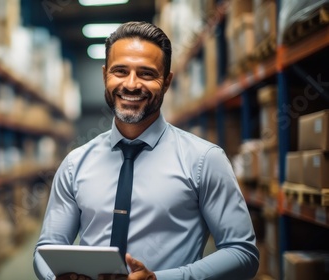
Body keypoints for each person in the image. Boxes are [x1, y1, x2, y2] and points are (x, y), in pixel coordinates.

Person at [33, 21, 259, 280]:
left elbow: (242, 253)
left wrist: (161, 279)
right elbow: (46, 248)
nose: (131, 84)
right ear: (105, 74)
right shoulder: (75, 164)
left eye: (147, 74)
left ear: (167, 82)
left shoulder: (204, 160)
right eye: (120, 71)